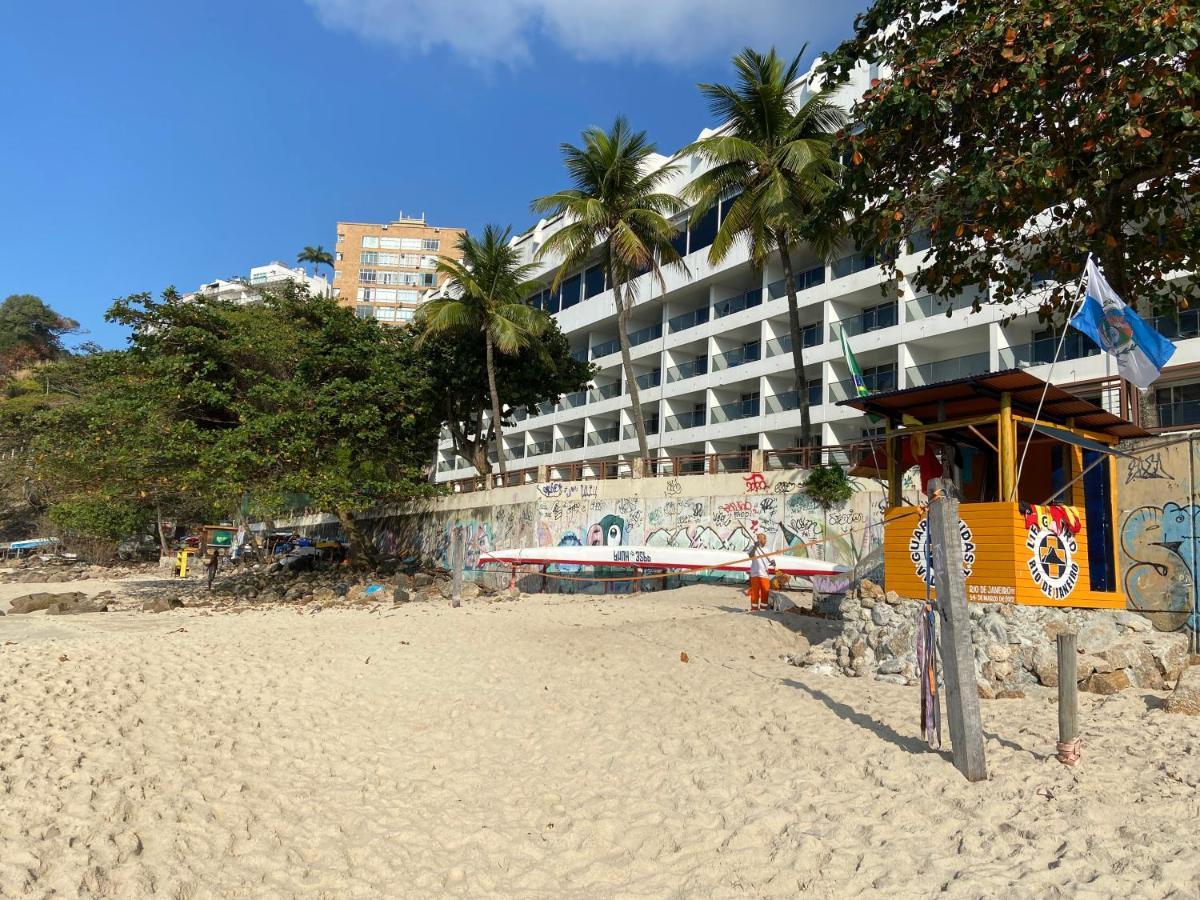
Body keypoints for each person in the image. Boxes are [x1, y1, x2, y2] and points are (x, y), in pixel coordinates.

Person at [747, 532, 772, 612]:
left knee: (765, 592)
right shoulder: (752, 547)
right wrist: (755, 547)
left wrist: (773, 562)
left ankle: (763, 610)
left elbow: (770, 560)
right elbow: (751, 556)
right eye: (763, 539)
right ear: (759, 540)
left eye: (765, 539)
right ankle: (754, 609)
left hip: (764, 574)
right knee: (755, 593)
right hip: (755, 574)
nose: (765, 541)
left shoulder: (767, 550)